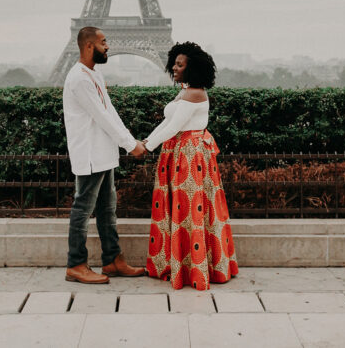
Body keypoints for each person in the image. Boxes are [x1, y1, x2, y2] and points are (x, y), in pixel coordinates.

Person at [142, 41, 238, 290]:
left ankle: (189, 268)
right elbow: (168, 123)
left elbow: (174, 128)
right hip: (180, 153)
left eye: (179, 64)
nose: (174, 67)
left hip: (188, 157)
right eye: (174, 62)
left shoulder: (194, 93)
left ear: (192, 68)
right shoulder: (186, 91)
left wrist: (147, 146)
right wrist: (147, 141)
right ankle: (186, 265)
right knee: (185, 210)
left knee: (188, 210)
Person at [62, 26, 147, 284]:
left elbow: (109, 112)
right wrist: (129, 145)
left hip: (103, 153)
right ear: (89, 46)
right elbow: (101, 117)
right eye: (103, 42)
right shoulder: (79, 78)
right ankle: (75, 264)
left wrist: (129, 141)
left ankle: (112, 260)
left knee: (108, 209)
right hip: (90, 153)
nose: (108, 46)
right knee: (82, 209)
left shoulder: (94, 75)